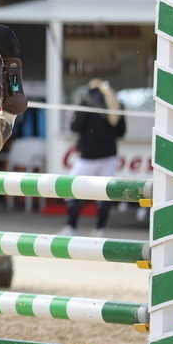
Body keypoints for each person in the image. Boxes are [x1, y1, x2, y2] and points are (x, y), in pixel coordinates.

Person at [61, 80, 127, 237]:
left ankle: (71, 227)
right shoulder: (116, 104)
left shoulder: (85, 102)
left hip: (88, 157)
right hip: (109, 156)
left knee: (70, 189)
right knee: (104, 194)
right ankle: (100, 230)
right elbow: (121, 132)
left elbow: (75, 127)